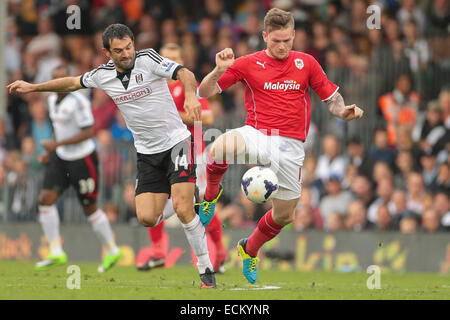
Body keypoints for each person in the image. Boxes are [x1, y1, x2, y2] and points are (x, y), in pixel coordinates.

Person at [7, 24, 216, 288]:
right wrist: (33, 87)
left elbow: (184, 72)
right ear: (108, 53)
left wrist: (190, 96)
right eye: (119, 51)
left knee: (185, 210)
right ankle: (185, 195)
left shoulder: (148, 59)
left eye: (129, 47)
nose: (127, 53)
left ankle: (206, 267)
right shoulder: (102, 75)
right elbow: (72, 83)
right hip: (147, 153)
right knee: (147, 218)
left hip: (177, 143)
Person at [197, 8, 363, 284]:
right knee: (219, 147)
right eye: (276, 40)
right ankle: (211, 194)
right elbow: (204, 92)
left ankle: (249, 249)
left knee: (285, 215)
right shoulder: (248, 63)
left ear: (294, 35)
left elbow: (330, 98)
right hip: (258, 133)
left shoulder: (307, 63)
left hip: (290, 146)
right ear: (264, 37)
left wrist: (343, 111)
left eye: (287, 39)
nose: (283, 46)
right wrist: (218, 70)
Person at [137, 43, 228, 274]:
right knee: (150, 195)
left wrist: (172, 113)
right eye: (166, 57)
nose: (170, 62)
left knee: (196, 206)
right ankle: (158, 253)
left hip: (190, 152)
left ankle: (220, 251)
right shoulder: (151, 85)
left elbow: (206, 117)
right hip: (158, 153)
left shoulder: (188, 86)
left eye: (174, 58)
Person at [30, 65, 122, 272]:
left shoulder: (79, 101)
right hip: (61, 158)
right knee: (45, 200)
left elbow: (89, 132)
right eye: (54, 79)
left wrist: (56, 146)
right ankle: (56, 252)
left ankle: (112, 250)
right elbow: (58, 129)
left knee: (89, 208)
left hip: (83, 160)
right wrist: (51, 151)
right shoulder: (52, 100)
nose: (57, 84)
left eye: (61, 79)